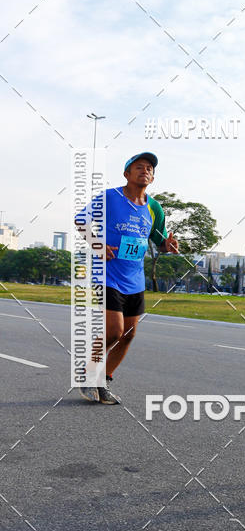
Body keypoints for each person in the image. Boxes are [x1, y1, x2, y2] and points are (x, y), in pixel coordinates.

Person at [74, 152, 178, 404]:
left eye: (150, 168)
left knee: (129, 334)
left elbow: (160, 241)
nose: (145, 170)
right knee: (114, 331)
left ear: (153, 178)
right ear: (127, 174)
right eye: (139, 166)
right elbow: (81, 220)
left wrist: (168, 246)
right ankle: (88, 374)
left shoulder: (154, 208)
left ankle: (104, 381)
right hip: (107, 274)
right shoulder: (110, 197)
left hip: (135, 278)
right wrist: (97, 244)